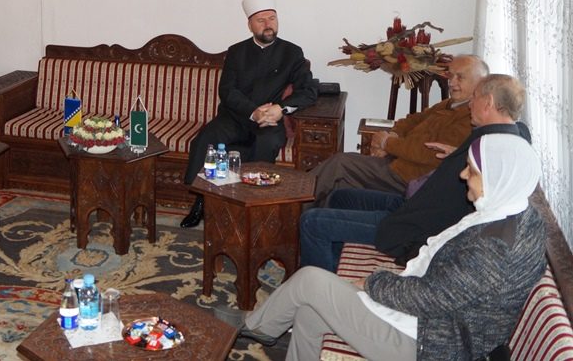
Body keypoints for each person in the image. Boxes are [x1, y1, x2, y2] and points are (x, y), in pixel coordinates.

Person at [218, 132, 546, 361]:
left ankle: (255, 327)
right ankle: (264, 326)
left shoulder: (495, 247)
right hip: (436, 326)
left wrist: (374, 282)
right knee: (308, 312)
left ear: (499, 177)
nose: (463, 175)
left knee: (310, 280)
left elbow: (430, 299)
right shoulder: (515, 214)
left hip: (428, 346)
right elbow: (448, 289)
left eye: (471, 170)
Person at [299, 73, 530, 271]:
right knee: (340, 197)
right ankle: (331, 267)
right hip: (411, 205)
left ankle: (317, 292)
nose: (470, 103)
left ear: (488, 103)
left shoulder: (488, 147)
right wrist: (456, 154)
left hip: (411, 229)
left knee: (311, 221)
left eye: (475, 97)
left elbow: (442, 211)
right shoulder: (503, 137)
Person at [180, 0, 317, 228]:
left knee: (266, 143)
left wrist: (280, 109)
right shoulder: (236, 52)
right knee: (205, 139)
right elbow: (227, 91)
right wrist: (254, 112)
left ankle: (254, 206)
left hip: (270, 121)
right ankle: (201, 201)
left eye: (272, 18)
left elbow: (308, 90)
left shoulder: (292, 52)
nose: (268, 25)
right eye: (261, 20)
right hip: (236, 116)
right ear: (250, 25)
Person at [309, 54, 488, 206]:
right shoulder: (451, 103)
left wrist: (387, 143)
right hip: (398, 163)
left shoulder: (470, 118)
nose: (452, 82)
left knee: (340, 164)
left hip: (409, 177)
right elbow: (412, 120)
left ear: (479, 82)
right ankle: (306, 217)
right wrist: (392, 135)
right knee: (340, 183)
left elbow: (430, 154)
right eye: (450, 76)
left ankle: (295, 207)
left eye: (460, 77)